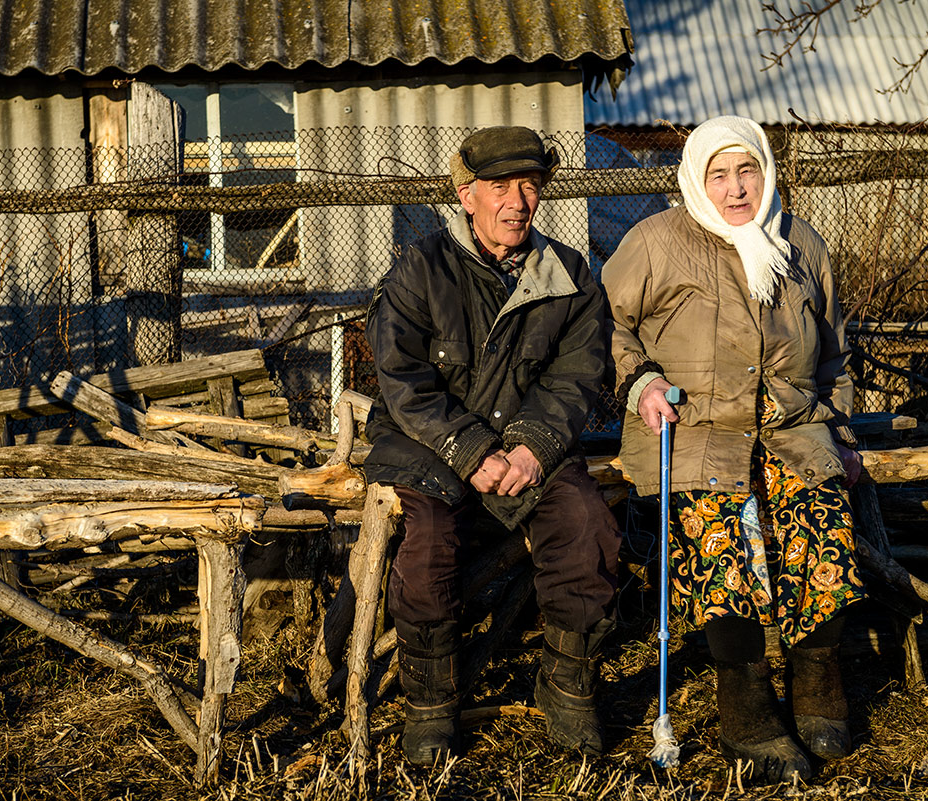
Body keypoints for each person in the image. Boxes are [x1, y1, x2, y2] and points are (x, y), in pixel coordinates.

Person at [601, 115, 865, 783]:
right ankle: (745, 706)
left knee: (821, 521)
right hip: (692, 434)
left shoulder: (800, 243)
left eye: (746, 169)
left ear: (766, 171)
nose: (735, 186)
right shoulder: (656, 242)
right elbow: (602, 328)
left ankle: (816, 686)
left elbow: (835, 358)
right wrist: (640, 381)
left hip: (793, 430)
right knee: (720, 536)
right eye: (719, 173)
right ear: (696, 178)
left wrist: (844, 432)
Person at [363, 126, 622, 765]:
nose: (516, 201)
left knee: (588, 528)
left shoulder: (567, 274)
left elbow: (578, 371)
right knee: (426, 550)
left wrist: (533, 448)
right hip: (430, 443)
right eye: (499, 186)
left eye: (529, 185)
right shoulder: (421, 269)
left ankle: (567, 683)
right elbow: (402, 380)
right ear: (466, 195)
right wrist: (472, 452)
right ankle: (430, 704)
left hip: (530, 443)